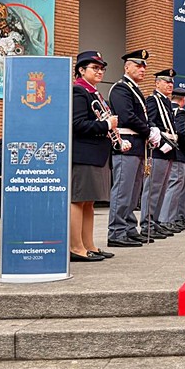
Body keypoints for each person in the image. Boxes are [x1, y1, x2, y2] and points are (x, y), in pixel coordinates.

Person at [69, 51, 121, 262]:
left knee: (88, 202)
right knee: (78, 200)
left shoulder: (94, 93)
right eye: (95, 68)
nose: (100, 72)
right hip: (84, 153)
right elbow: (77, 124)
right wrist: (107, 124)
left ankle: (88, 245)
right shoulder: (79, 91)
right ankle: (75, 247)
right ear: (81, 70)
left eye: (102, 68)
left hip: (96, 153)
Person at [106, 49, 157, 248]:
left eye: (144, 66)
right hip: (126, 144)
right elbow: (127, 116)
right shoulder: (121, 88)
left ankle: (128, 228)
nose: (142, 69)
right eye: (138, 65)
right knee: (122, 190)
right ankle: (116, 232)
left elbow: (142, 116)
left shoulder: (134, 89)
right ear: (127, 67)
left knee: (133, 191)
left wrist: (151, 128)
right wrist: (148, 131)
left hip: (137, 145)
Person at [142, 69, 179, 238]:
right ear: (157, 83)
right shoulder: (153, 99)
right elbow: (150, 122)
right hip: (158, 149)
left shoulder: (166, 102)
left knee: (162, 189)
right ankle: (147, 225)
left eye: (171, 82)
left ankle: (155, 222)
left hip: (169, 149)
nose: (170, 85)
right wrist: (162, 143)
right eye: (166, 82)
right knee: (153, 189)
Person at [160, 87, 185, 230]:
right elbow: (181, 133)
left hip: (167, 151)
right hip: (178, 153)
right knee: (175, 186)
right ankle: (167, 220)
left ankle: (165, 219)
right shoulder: (180, 112)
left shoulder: (167, 109)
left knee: (167, 186)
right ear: (183, 100)